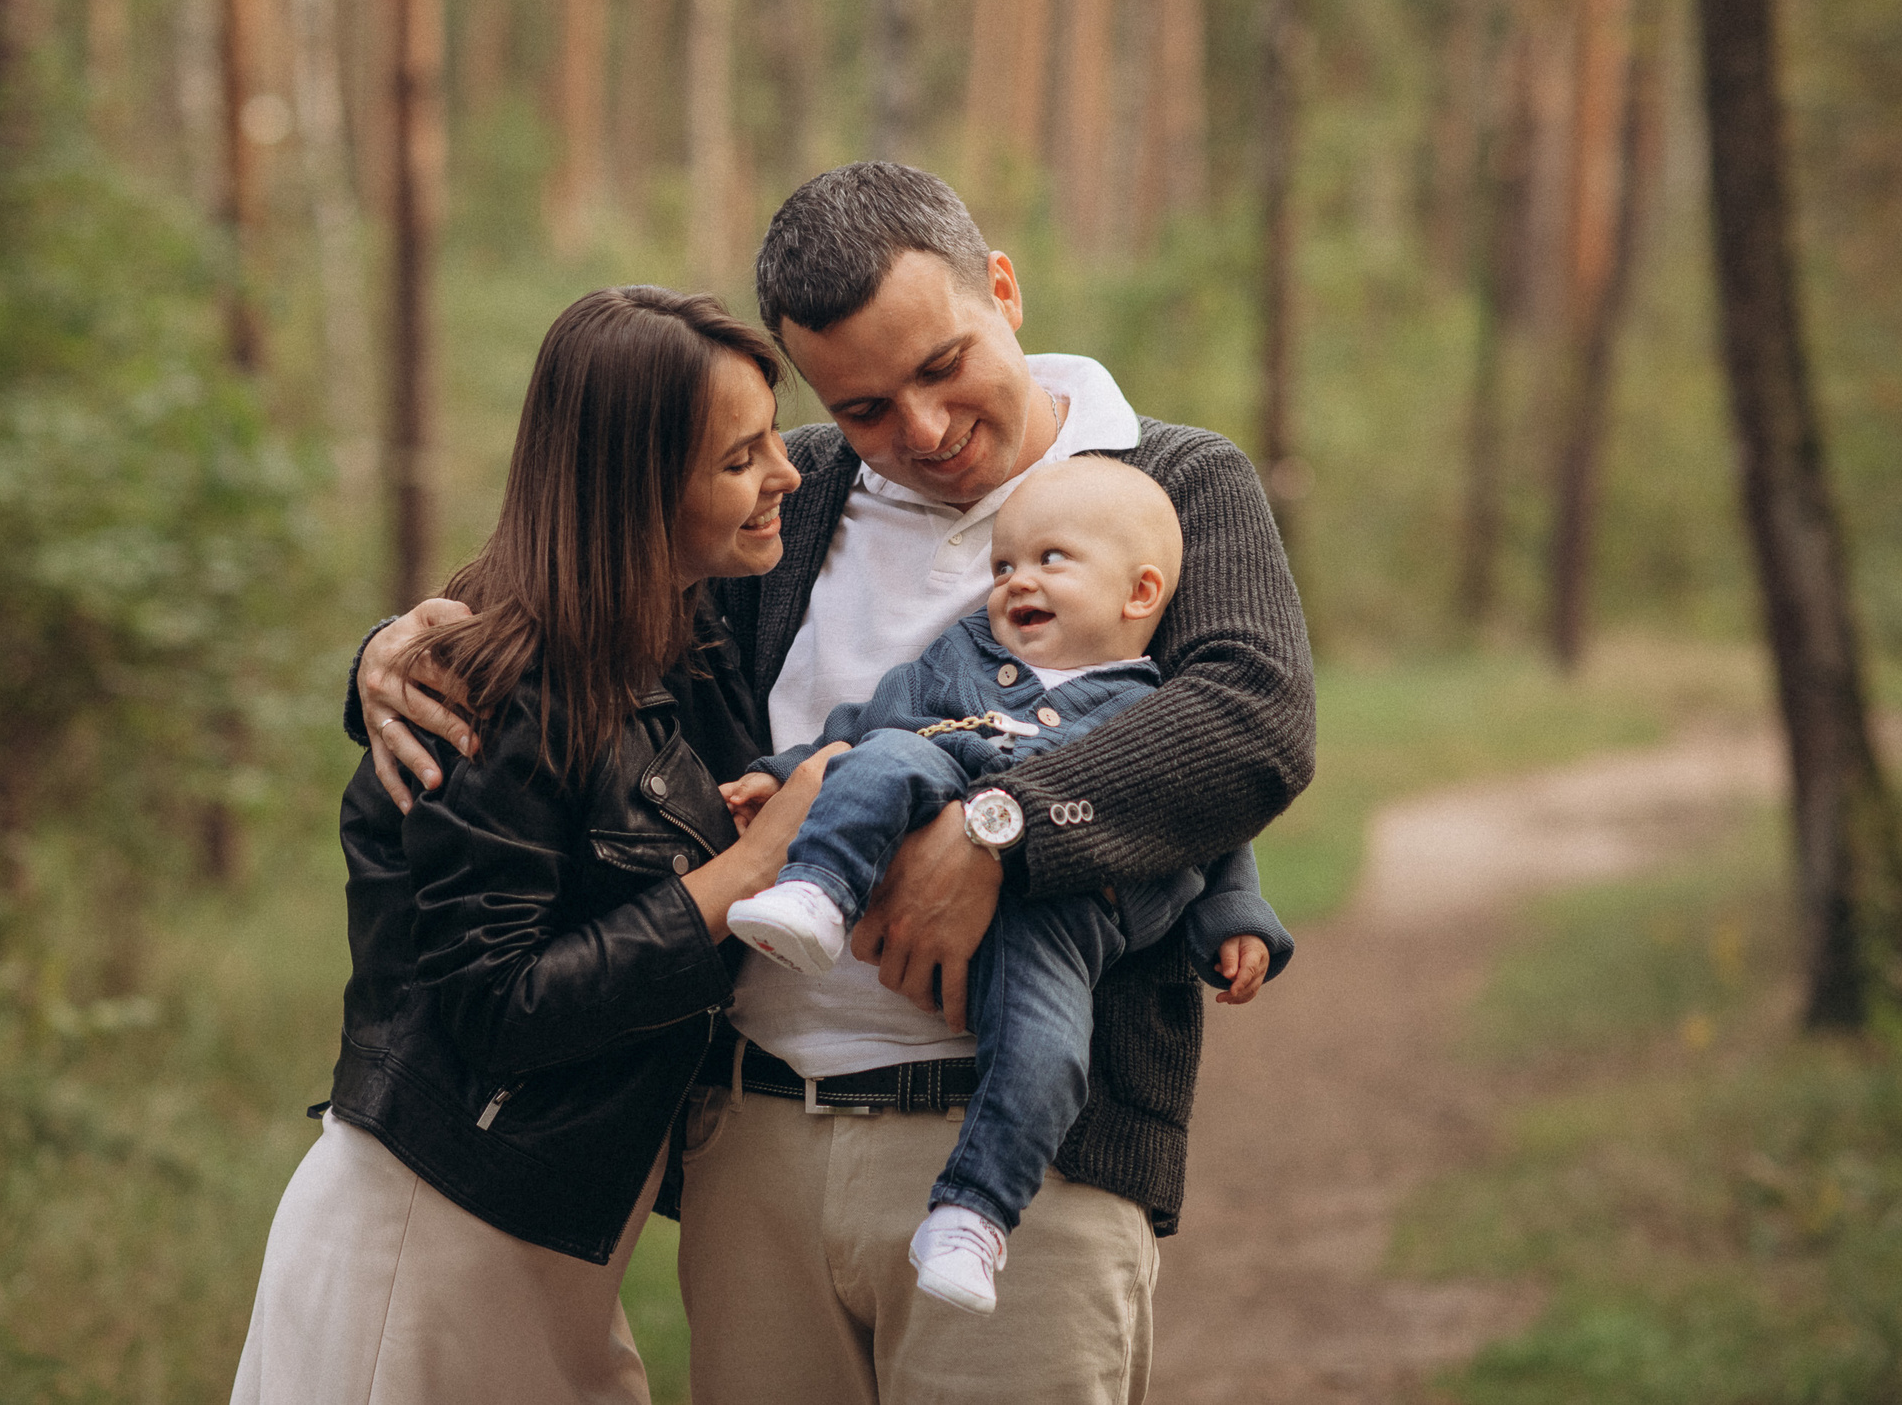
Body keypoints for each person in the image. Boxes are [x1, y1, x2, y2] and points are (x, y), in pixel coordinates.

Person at [356, 162, 1316, 1405]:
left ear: (1005, 291)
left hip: (1029, 1158)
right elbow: (560, 615)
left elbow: (1250, 720)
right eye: (864, 405)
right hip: (756, 1141)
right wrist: (388, 653)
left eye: (940, 366)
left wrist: (997, 829)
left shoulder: (1169, 482)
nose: (918, 431)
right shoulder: (783, 501)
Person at [232, 285, 831, 1405]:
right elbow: (496, 1005)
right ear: (635, 487)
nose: (786, 474)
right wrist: (738, 877)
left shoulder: (682, 647)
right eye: (740, 458)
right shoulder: (495, 684)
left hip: (552, 1233)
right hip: (437, 1222)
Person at [722, 457, 1295, 1314]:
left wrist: (1235, 920)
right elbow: (862, 723)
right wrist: (786, 770)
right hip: (933, 776)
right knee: (885, 753)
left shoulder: (1158, 710)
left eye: (1049, 561)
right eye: (1002, 567)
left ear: (1140, 595)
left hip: (1055, 921)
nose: (1014, 582)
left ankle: (974, 1214)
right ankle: (818, 893)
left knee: (1051, 1054)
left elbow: (1213, 826)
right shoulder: (960, 656)